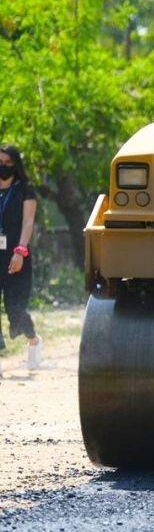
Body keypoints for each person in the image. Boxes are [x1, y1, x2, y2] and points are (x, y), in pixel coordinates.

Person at [0, 145, 40, 371]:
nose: (2, 166)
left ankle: (33, 340)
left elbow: (28, 222)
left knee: (15, 310)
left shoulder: (25, 190)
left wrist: (20, 251)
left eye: (7, 162)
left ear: (16, 164)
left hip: (16, 256)